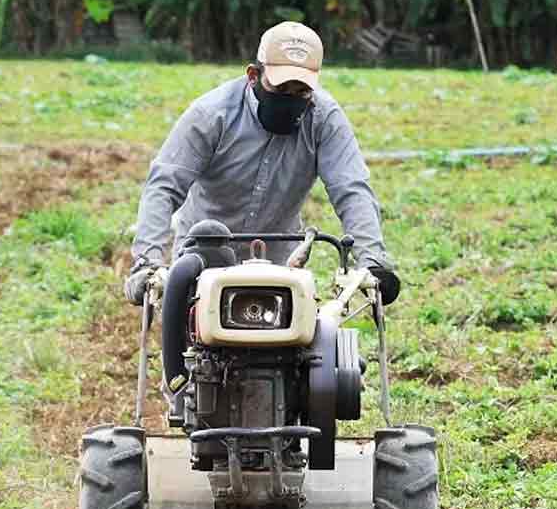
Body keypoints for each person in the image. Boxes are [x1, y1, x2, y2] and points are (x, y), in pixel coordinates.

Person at [123, 21, 400, 307]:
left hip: (280, 264)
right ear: (254, 75)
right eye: (281, 88)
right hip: (204, 257)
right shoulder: (211, 114)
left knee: (301, 342)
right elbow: (165, 185)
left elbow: (351, 189)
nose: (291, 100)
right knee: (192, 344)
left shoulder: (324, 119)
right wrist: (148, 262)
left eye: (301, 91)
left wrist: (372, 262)